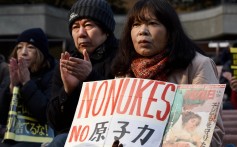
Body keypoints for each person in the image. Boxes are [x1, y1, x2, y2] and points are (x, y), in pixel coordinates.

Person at [111, 0, 224, 146]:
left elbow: (212, 134)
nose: (142, 31)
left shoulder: (198, 65)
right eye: (136, 24)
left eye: (152, 23)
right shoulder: (124, 71)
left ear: (170, 31)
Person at [46, 0, 118, 146]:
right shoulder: (67, 63)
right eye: (75, 27)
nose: (81, 33)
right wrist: (67, 91)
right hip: (75, 137)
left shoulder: (123, 56)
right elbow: (54, 122)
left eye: (88, 25)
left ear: (106, 30)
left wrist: (90, 77)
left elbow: (123, 106)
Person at [0, 28, 56, 147]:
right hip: (13, 135)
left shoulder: (54, 73)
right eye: (19, 47)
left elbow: (46, 113)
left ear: (41, 52)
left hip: (42, 136)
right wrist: (12, 88)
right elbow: (2, 116)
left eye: (30, 47)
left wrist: (26, 82)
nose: (23, 52)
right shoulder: (13, 73)